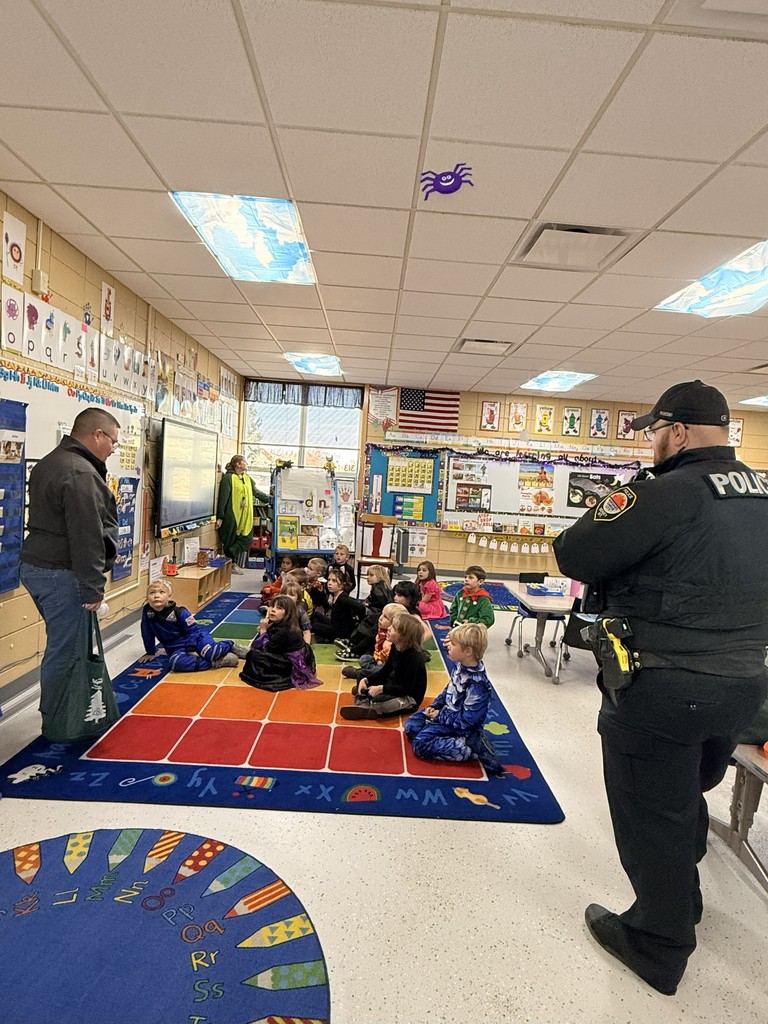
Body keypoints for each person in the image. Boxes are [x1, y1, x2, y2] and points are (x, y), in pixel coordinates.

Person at [552, 380, 768, 997]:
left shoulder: (666, 493)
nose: (650, 442)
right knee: (683, 792)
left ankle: (658, 942)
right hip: (746, 685)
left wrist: (622, 498)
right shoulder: (763, 492)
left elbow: (574, 554)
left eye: (654, 431)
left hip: (665, 684)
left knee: (649, 809)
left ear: (676, 432)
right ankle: (687, 898)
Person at [20, 407, 120, 739]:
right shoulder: (79, 473)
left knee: (65, 645)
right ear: (97, 435)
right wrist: (93, 588)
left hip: (39, 566)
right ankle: (60, 724)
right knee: (66, 649)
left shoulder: (52, 461)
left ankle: (67, 714)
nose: (113, 450)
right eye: (113, 443)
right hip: (61, 573)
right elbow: (86, 536)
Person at [404, 623, 505, 776]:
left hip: (461, 727)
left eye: (453, 643)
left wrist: (439, 715)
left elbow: (468, 720)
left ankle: (468, 746)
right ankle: (446, 737)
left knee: (420, 745)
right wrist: (436, 705)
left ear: (468, 651)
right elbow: (449, 689)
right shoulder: (461, 666)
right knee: (411, 726)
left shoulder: (477, 685)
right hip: (446, 715)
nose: (448, 646)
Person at [139, 579, 249, 670]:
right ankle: (216, 662)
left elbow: (193, 631)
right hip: (177, 647)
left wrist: (191, 649)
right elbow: (146, 631)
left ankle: (231, 645)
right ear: (147, 597)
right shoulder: (147, 612)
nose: (156, 596)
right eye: (152, 593)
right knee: (175, 662)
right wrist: (150, 651)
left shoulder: (180, 612)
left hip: (198, 638)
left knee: (211, 652)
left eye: (161, 592)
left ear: (169, 595)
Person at [340, 613, 428, 720]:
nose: (389, 628)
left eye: (394, 628)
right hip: (395, 684)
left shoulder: (413, 658)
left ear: (404, 636)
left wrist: (381, 689)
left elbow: (406, 688)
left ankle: (370, 707)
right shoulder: (395, 647)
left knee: (380, 700)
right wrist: (367, 680)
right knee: (362, 674)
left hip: (409, 697)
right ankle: (363, 700)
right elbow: (385, 671)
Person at [240, 595, 321, 691]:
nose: (273, 610)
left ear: (287, 613)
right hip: (289, 653)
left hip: (291, 662)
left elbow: (267, 648)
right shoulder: (283, 623)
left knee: (254, 656)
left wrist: (263, 630)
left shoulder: (284, 631)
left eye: (279, 608)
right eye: (272, 606)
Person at [215, 455, 270, 574]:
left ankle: (228, 556)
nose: (247, 463)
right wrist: (220, 516)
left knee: (246, 539)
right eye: (244, 461)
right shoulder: (229, 478)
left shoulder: (247, 478)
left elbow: (256, 492)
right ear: (238, 464)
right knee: (230, 539)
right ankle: (231, 564)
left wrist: (270, 499)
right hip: (232, 514)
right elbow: (223, 498)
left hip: (246, 515)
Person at [334, 565, 393, 662]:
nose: (368, 577)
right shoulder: (382, 587)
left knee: (360, 610)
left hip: (376, 612)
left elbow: (380, 602)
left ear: (379, 576)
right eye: (367, 575)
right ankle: (353, 641)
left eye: (371, 575)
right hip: (378, 611)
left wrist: (368, 604)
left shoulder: (378, 588)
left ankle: (354, 642)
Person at [341, 602, 409, 681]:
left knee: (381, 669)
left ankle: (360, 673)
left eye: (386, 617)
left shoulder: (394, 641)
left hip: (389, 668)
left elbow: (393, 662)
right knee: (364, 659)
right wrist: (377, 658)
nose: (380, 618)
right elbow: (377, 648)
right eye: (382, 614)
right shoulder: (382, 631)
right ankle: (370, 672)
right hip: (379, 661)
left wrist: (382, 660)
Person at [311, 568, 366, 643]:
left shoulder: (343, 599)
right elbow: (327, 607)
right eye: (329, 580)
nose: (329, 583)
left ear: (342, 585)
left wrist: (358, 621)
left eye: (334, 581)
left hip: (341, 631)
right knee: (316, 615)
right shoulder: (335, 596)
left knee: (315, 626)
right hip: (334, 624)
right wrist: (321, 593)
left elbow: (361, 607)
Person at [280, 579, 312, 643]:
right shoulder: (277, 610)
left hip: (296, 640)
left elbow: (306, 632)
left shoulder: (301, 612)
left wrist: (307, 647)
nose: (287, 597)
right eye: (285, 594)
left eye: (291, 595)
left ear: (298, 598)